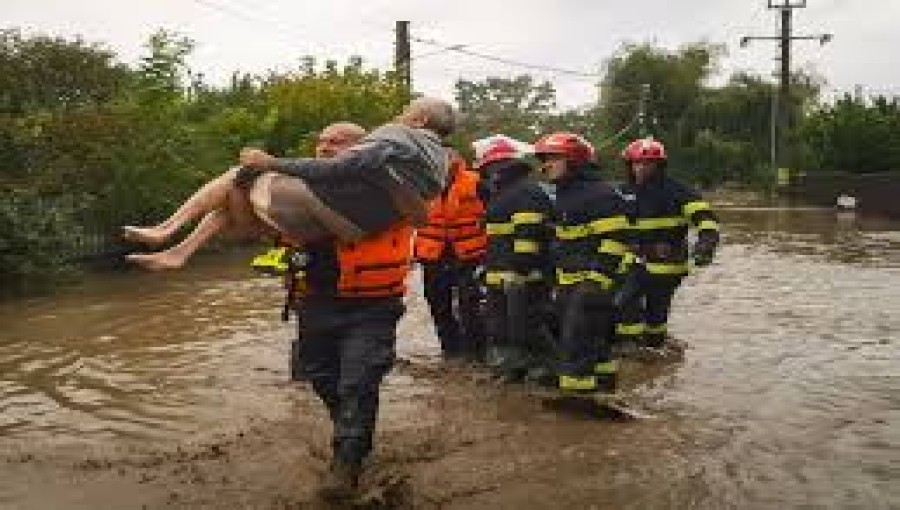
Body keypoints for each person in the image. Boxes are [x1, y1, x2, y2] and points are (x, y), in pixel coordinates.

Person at [121, 98, 455, 270]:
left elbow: (343, 167)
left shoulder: (399, 136)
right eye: (322, 142)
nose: (400, 113)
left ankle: (167, 231)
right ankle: (176, 250)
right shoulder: (440, 162)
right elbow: (246, 231)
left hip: (350, 271)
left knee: (239, 172)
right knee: (237, 184)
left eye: (406, 109)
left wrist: (268, 164)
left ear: (420, 119)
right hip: (339, 249)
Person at [248, 123, 367, 382]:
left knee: (354, 377)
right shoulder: (296, 186)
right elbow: (267, 228)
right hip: (312, 292)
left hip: (362, 299)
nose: (324, 147)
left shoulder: (370, 190)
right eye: (321, 141)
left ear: (360, 149)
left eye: (336, 142)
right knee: (310, 375)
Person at [535, 132, 633, 395]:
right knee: (595, 343)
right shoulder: (568, 194)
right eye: (544, 159)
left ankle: (577, 398)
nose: (545, 165)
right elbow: (570, 238)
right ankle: (603, 388)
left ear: (574, 161)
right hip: (572, 281)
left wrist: (598, 279)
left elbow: (617, 238)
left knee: (576, 342)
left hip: (592, 282)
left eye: (553, 158)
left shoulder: (598, 195)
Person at [618, 137, 720, 349]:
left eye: (647, 164)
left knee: (657, 312)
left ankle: (654, 347)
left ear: (659, 166)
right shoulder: (622, 192)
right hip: (631, 262)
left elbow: (706, 220)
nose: (641, 169)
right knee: (623, 303)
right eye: (636, 163)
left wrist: (705, 246)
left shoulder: (679, 191)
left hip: (666, 266)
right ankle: (628, 346)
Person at [477, 137, 555, 382]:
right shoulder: (502, 193)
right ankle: (513, 370)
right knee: (502, 327)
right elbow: (496, 239)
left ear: (498, 167)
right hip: (500, 273)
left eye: (487, 168)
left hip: (523, 276)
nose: (486, 173)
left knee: (529, 326)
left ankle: (546, 370)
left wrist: (520, 269)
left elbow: (528, 232)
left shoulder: (525, 192)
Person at [414, 148, 487, 361]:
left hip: (470, 253)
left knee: (470, 303)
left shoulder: (477, 181)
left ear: (456, 159)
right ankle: (450, 349)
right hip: (432, 254)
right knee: (437, 302)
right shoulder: (420, 183)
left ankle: (475, 352)